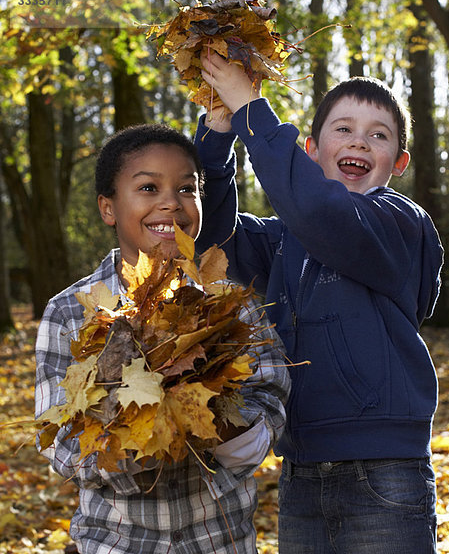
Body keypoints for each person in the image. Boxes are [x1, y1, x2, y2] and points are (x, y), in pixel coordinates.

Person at [194, 51, 444, 554]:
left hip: (384, 472)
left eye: (379, 135)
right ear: (310, 151)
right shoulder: (288, 239)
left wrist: (253, 110)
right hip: (303, 470)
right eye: (343, 129)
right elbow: (214, 241)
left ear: (398, 162)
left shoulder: (399, 222)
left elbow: (323, 214)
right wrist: (218, 141)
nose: (359, 141)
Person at [34, 123, 290, 554]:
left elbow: (271, 399)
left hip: (219, 541)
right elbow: (61, 441)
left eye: (187, 189)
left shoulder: (232, 307)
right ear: (108, 208)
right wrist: (139, 429)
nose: (172, 202)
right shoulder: (69, 313)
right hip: (114, 543)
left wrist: (210, 413)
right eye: (149, 188)